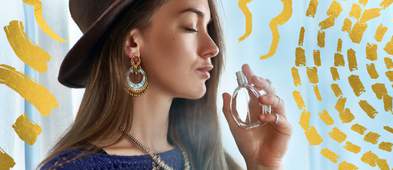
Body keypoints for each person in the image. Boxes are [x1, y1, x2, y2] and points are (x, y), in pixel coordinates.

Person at [38, 0, 292, 169]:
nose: (212, 47)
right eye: (191, 27)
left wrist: (262, 164)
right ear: (133, 44)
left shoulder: (207, 160)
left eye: (208, 27)